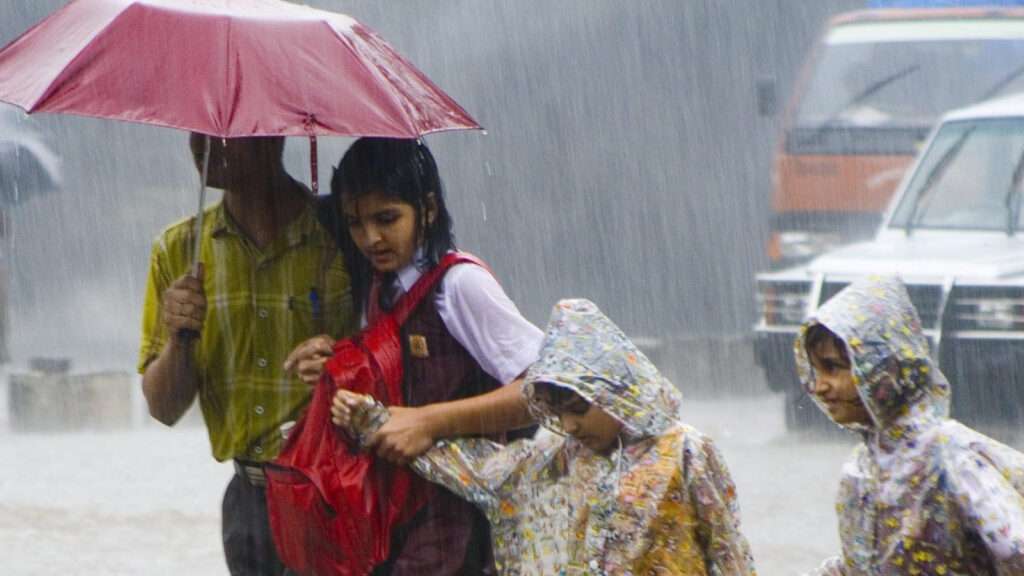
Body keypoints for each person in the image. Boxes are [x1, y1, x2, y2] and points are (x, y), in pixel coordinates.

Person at [335, 298, 758, 575]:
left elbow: (728, 550)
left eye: (579, 410)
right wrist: (373, 421)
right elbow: (474, 467)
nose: (570, 426)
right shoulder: (554, 462)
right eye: (559, 413)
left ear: (613, 391)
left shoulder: (685, 451)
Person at [283, 137, 543, 575]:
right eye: (355, 223)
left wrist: (431, 422)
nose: (371, 238)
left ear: (427, 209)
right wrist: (336, 368)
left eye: (387, 218)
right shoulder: (380, 289)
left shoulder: (459, 286)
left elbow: (545, 390)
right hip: (400, 522)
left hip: (461, 527)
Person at [138, 133, 355, 576]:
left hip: (337, 490)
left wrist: (344, 365)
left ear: (271, 134)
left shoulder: (344, 236)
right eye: (196, 130)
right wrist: (180, 337)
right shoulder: (178, 250)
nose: (201, 145)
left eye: (221, 133)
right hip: (248, 501)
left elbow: (395, 365)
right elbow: (163, 408)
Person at [796, 276, 1024, 575]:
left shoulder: (949, 457)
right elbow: (862, 562)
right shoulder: (861, 468)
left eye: (833, 368)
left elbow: (1015, 549)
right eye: (816, 371)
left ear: (881, 368)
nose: (819, 386)